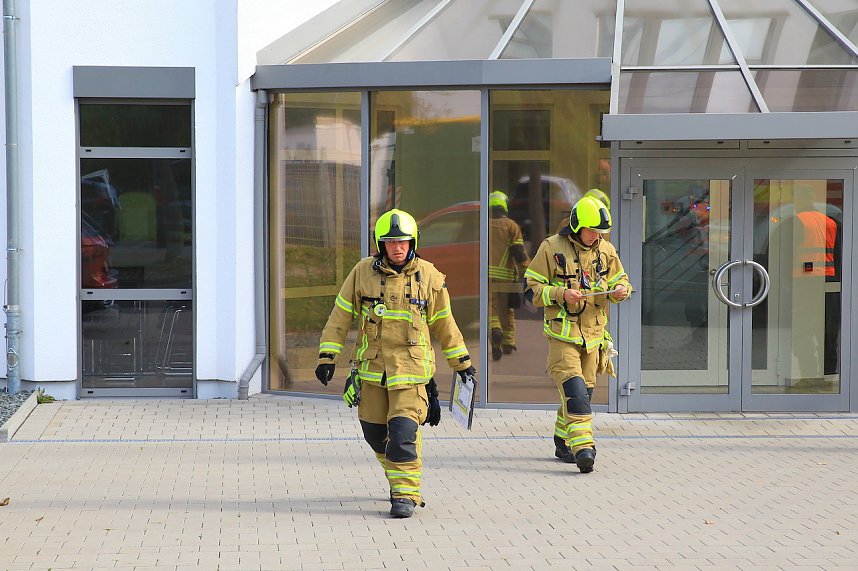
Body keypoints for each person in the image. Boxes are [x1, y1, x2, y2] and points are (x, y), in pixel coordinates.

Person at [315, 208, 476, 518]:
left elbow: (445, 323)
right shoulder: (362, 273)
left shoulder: (429, 276)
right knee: (375, 434)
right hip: (372, 372)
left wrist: (462, 363)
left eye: (403, 242)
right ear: (381, 244)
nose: (397, 248)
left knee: (403, 434)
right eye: (391, 242)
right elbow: (340, 316)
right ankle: (398, 476)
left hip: (412, 375)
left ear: (413, 242)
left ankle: (404, 494)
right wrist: (327, 356)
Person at [524, 196, 631, 473]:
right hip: (563, 337)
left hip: (594, 338)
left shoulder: (606, 249)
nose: (596, 236)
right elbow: (530, 288)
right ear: (576, 226)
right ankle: (583, 448)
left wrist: (622, 291)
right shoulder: (551, 247)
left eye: (600, 232)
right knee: (575, 393)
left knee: (582, 394)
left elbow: (620, 279)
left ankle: (562, 440)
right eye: (592, 230)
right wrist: (561, 294)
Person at [489, 190, 530, 361]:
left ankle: (495, 331)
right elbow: (518, 252)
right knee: (507, 309)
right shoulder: (512, 226)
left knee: (491, 308)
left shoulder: (484, 225)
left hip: (486, 276)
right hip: (506, 275)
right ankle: (508, 342)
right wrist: (528, 271)